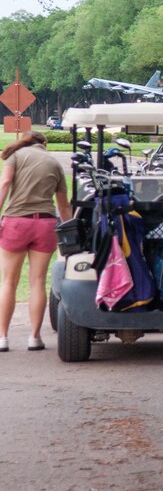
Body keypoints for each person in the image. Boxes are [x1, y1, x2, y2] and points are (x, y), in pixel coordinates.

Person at [0, 131, 72, 352]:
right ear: (44, 144)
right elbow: (63, 205)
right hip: (45, 224)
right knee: (37, 282)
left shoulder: (16, 156)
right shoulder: (54, 162)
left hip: (16, 222)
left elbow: (5, 183)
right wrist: (69, 231)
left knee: (8, 282)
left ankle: (2, 338)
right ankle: (34, 337)